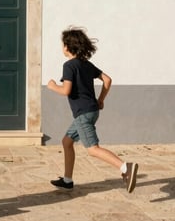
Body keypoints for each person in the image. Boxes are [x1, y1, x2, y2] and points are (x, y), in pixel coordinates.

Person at [47, 27, 138, 193]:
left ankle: (125, 167)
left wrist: (53, 86)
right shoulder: (86, 64)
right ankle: (67, 180)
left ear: (67, 46)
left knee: (92, 149)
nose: (62, 47)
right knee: (67, 142)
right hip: (91, 110)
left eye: (62, 44)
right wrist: (101, 99)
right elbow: (107, 80)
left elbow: (66, 90)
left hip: (83, 113)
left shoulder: (69, 66)